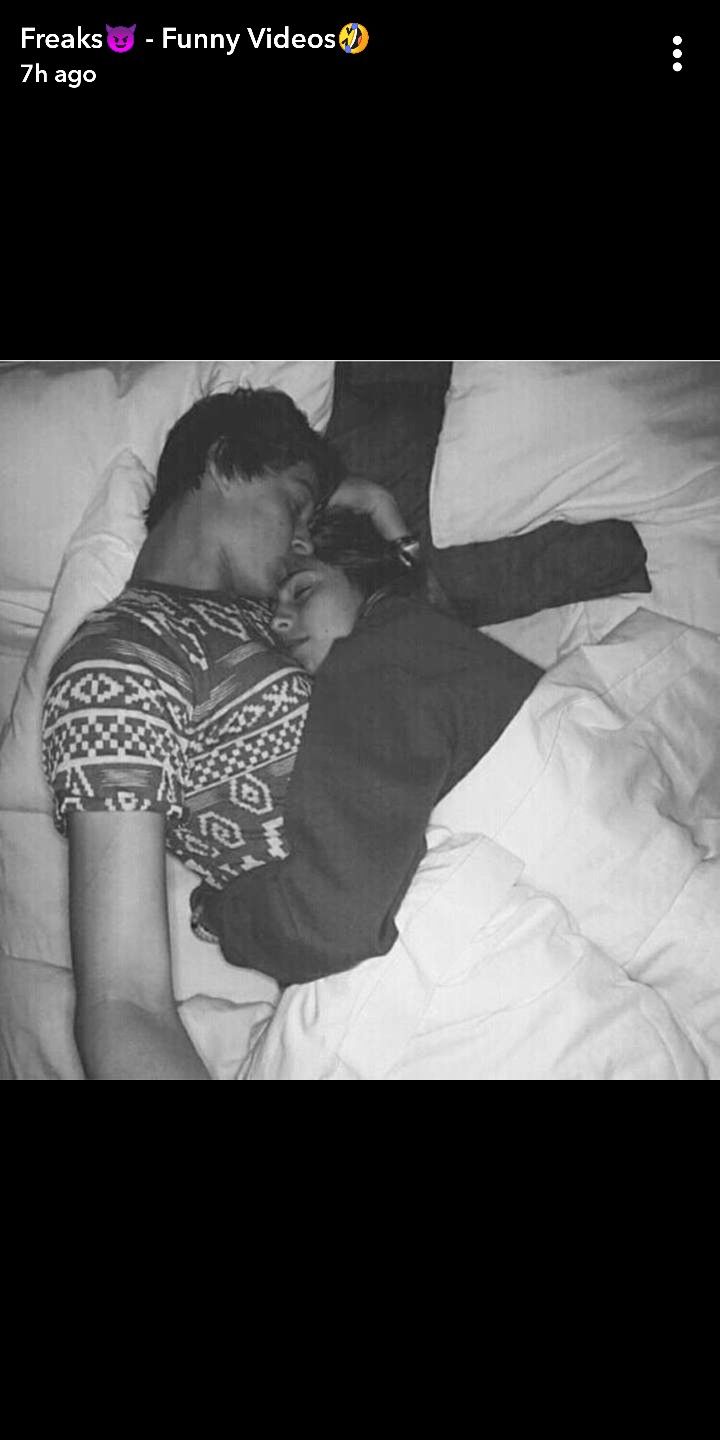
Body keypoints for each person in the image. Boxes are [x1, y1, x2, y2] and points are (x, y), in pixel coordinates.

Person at [41, 386, 406, 1080]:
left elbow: (436, 668)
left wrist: (393, 532)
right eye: (295, 504)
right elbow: (123, 1003)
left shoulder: (292, 620)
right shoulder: (120, 658)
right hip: (413, 948)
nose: (303, 540)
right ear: (219, 463)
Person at [193, 510, 543, 986]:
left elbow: (329, 920)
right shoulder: (431, 641)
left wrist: (217, 911)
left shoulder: (373, 661)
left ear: (365, 576)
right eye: (272, 613)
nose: (278, 622)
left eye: (304, 591)